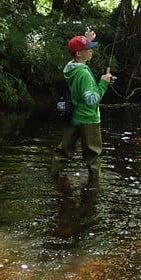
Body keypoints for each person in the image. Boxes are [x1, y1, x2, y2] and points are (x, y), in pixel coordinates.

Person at [53, 31, 113, 179]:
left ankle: (53, 177)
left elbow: (74, 59)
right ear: (79, 53)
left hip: (74, 116)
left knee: (63, 152)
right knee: (93, 155)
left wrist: (86, 40)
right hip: (89, 118)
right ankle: (94, 188)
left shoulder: (70, 69)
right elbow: (91, 99)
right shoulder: (84, 74)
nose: (91, 51)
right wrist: (104, 83)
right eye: (88, 49)